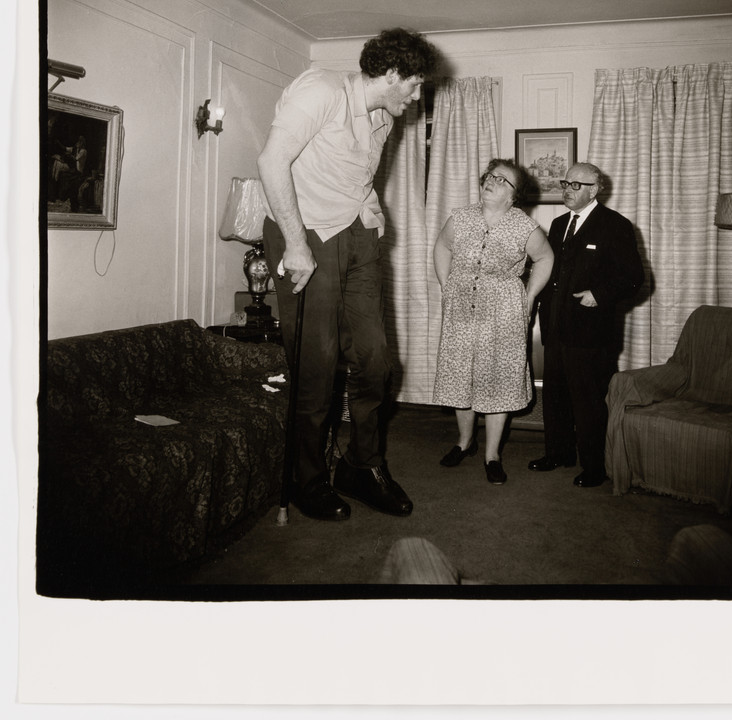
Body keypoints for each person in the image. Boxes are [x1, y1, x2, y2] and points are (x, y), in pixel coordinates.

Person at [257, 27, 438, 522]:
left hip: (357, 235)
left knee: (376, 361)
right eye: (415, 85)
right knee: (316, 366)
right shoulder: (320, 90)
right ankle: (308, 478)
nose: (416, 97)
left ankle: (361, 466)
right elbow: (271, 161)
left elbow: (355, 176)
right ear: (393, 73)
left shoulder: (384, 117)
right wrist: (296, 244)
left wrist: (372, 220)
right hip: (307, 233)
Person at [432, 159, 554, 485]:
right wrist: (446, 285)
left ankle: (492, 454)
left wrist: (529, 297)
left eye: (502, 180)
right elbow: (442, 246)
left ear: (514, 195)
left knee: (497, 379)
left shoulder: (524, 226)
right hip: (461, 308)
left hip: (503, 312)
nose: (491, 181)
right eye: (490, 176)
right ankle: (464, 442)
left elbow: (546, 258)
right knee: (461, 375)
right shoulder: (460, 217)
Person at [531, 162, 644, 487]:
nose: (567, 190)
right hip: (555, 327)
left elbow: (633, 277)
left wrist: (600, 294)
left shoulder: (615, 225)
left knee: (589, 402)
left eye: (575, 185)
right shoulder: (558, 225)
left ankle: (594, 467)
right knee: (555, 396)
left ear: (594, 190)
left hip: (592, 334)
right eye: (565, 183)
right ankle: (558, 453)